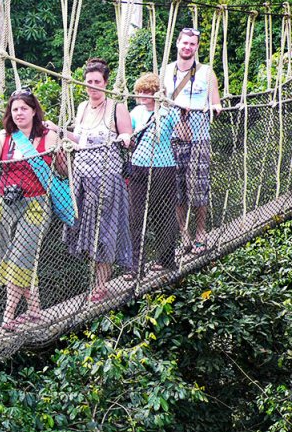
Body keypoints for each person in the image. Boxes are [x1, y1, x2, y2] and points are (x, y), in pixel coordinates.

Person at [44, 58, 133, 301]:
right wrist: (58, 130)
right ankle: (96, 281)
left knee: (104, 233)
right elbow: (79, 139)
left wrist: (125, 137)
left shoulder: (117, 108)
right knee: (84, 231)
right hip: (82, 180)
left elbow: (127, 134)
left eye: (97, 82)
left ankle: (101, 285)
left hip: (107, 181)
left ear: (105, 83)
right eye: (89, 82)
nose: (93, 86)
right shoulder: (82, 107)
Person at [0, 89, 65, 330]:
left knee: (18, 256)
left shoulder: (47, 137)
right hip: (6, 204)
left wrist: (63, 147)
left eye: (23, 108)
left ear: (33, 111)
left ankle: (7, 316)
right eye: (15, 109)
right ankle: (34, 310)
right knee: (19, 258)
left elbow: (60, 168)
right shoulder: (4, 136)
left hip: (36, 204)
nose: (19, 113)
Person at [164, 28, 222, 255]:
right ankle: (184, 236)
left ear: (197, 47)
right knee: (177, 191)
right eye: (184, 43)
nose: (188, 47)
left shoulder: (207, 73)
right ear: (177, 44)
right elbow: (161, 102)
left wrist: (215, 108)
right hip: (174, 138)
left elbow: (215, 102)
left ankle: (200, 234)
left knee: (198, 189)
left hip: (199, 139)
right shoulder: (166, 71)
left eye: (192, 44)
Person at [127, 73, 181, 278]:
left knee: (164, 215)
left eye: (147, 92)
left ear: (156, 93)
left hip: (164, 167)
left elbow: (183, 135)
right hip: (138, 166)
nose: (142, 96)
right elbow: (130, 137)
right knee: (136, 216)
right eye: (140, 92)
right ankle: (136, 266)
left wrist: (182, 112)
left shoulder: (168, 113)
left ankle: (167, 259)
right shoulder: (135, 112)